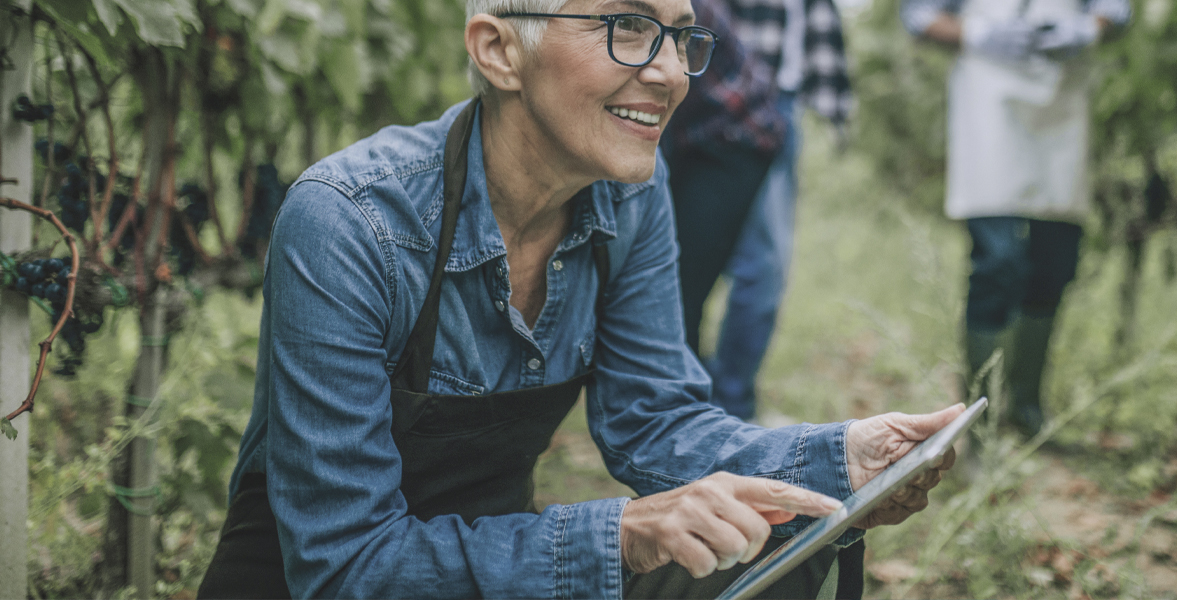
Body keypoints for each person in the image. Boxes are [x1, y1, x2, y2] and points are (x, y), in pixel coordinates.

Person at [195, 0, 967, 598]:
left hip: (490, 574)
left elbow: (655, 421)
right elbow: (347, 569)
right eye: (627, 27)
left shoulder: (630, 193)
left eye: (681, 37)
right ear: (499, 50)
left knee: (768, 542)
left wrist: (842, 459)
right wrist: (623, 534)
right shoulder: (349, 219)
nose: (669, 72)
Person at [899, 0, 1129, 437]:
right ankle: (978, 424)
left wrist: (1087, 28)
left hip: (1061, 101)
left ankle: (1026, 408)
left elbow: (1115, 9)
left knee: (1054, 262)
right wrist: (976, 34)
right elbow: (919, 14)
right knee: (998, 260)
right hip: (989, 97)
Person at [684, 0, 855, 421]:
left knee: (758, 268)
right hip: (731, 105)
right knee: (753, 267)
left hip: (782, 101)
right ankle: (722, 405)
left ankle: (719, 401)